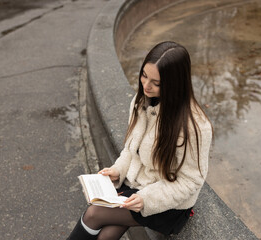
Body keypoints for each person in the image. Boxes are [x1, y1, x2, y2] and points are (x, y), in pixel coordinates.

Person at [67, 41, 213, 240]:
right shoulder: (140, 102)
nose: (146, 85)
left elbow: (191, 181)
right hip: (136, 186)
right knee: (105, 236)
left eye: (156, 82)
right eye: (144, 75)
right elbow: (130, 149)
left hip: (165, 201)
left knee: (94, 213)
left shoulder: (194, 126)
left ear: (175, 83)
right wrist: (118, 170)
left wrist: (146, 199)